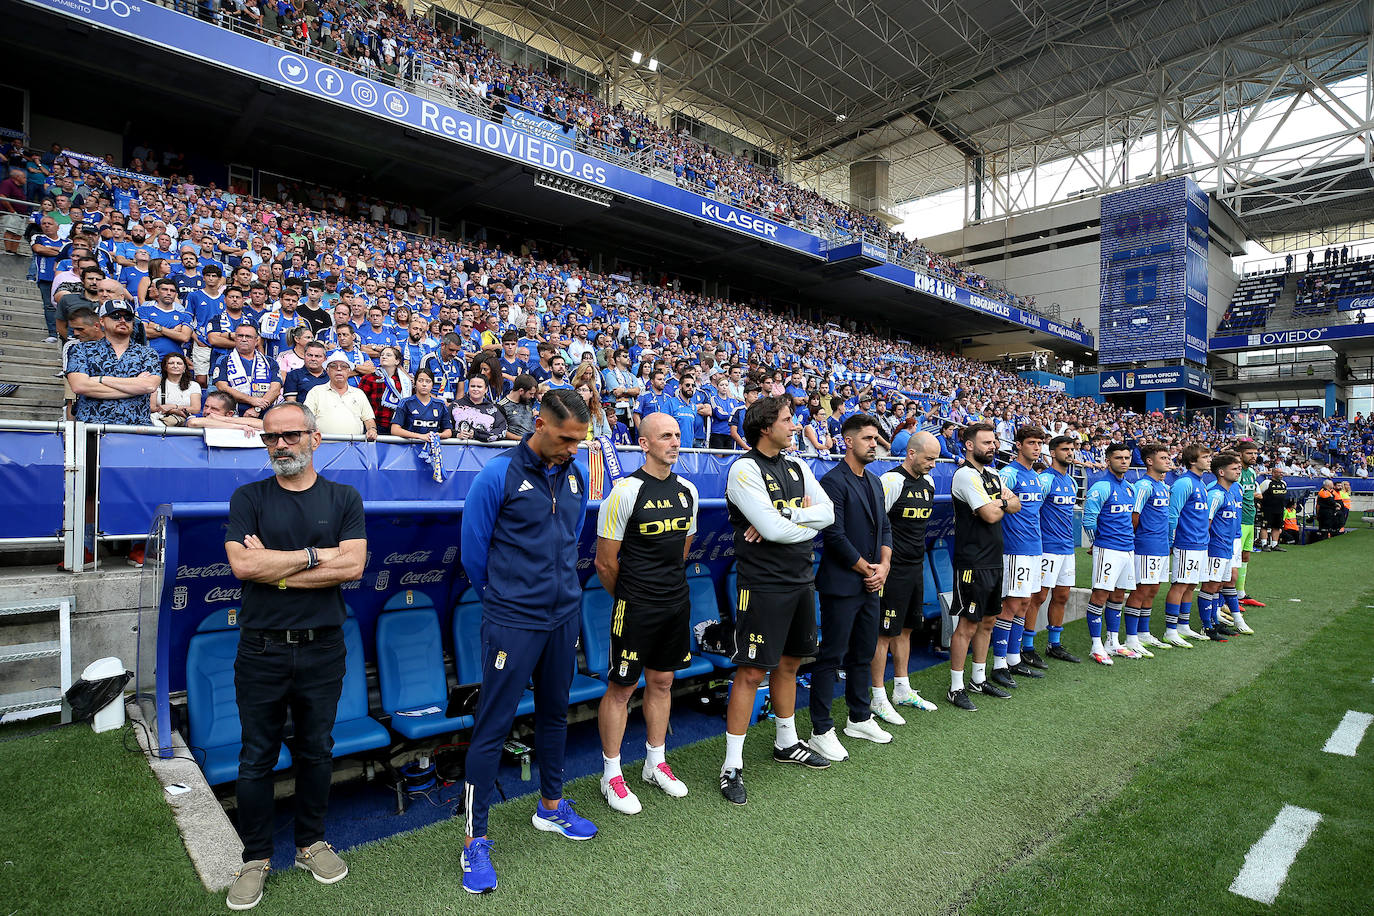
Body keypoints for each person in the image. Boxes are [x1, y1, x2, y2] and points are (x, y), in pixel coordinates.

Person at [222, 402, 366, 911]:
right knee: (256, 756)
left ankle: (311, 844)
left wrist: (275, 568)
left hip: (323, 648)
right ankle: (255, 858)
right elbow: (242, 565)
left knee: (316, 750)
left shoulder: (343, 497)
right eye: (270, 438)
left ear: (314, 438)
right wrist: (312, 556)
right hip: (261, 648)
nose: (279, 445)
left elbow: (352, 565)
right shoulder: (248, 497)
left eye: (289, 436)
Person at [458, 389, 597, 895]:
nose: (572, 449)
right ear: (538, 424)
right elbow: (474, 554)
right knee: (493, 726)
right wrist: (508, 601)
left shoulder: (577, 474)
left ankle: (551, 808)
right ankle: (475, 841)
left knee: (556, 713)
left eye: (580, 441)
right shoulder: (496, 476)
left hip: (564, 616)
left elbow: (571, 535)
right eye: (565, 439)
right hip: (512, 621)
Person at [720, 396, 835, 803]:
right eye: (787, 419)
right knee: (752, 672)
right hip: (763, 583)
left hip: (801, 578)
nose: (795, 425)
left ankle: (786, 743)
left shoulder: (798, 465)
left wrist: (788, 518)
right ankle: (731, 764)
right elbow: (769, 531)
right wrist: (790, 521)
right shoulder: (744, 468)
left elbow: (828, 514)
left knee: (790, 663)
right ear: (765, 426)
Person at [593, 413, 699, 814]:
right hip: (635, 606)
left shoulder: (687, 490)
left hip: (676, 602)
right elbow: (605, 562)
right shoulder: (624, 492)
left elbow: (683, 549)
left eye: (677, 435)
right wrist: (632, 596)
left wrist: (664, 588)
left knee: (663, 681)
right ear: (644, 444)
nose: (674, 442)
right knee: (621, 688)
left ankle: (656, 763)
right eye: (665, 436)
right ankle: (612, 774)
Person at [807, 413, 893, 761]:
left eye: (876, 439)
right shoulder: (833, 481)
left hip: (872, 583)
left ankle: (859, 717)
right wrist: (866, 568)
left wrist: (883, 566)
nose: (874, 444)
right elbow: (834, 535)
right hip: (842, 584)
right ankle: (820, 729)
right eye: (868, 438)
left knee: (864, 651)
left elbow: (886, 528)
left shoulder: (874, 481)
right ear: (848, 441)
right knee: (831, 655)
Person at [944, 422, 1019, 710]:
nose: (993, 447)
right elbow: (989, 515)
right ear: (969, 445)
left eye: (994, 442)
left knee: (988, 621)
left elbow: (1017, 505)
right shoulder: (965, 475)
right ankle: (956, 686)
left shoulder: (993, 474)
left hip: (993, 558)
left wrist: (997, 502)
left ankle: (978, 678)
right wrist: (1001, 502)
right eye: (986, 442)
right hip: (972, 561)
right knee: (967, 623)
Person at [991, 426, 1048, 688]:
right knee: (1011, 605)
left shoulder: (1036, 476)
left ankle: (1014, 658)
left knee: (1025, 602)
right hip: (1015, 548)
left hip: (1034, 548)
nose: (1036, 448)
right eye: (1032, 443)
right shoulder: (1008, 474)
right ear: (1018, 445)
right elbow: (995, 508)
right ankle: (999, 664)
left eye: (1039, 443)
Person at [1082, 443, 1139, 664]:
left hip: (1127, 549)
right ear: (1108, 460)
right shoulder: (1101, 486)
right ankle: (1096, 646)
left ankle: (1112, 642)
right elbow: (1089, 520)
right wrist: (1098, 545)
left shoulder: (1129, 487)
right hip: (1108, 549)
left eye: (1126, 457)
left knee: (1118, 595)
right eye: (1118, 458)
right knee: (1100, 595)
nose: (1123, 461)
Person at [64, 300, 162, 425]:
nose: (122, 320)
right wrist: (134, 388)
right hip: (92, 426)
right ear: (101, 321)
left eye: (128, 317)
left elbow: (149, 386)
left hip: (136, 427)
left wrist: (100, 379)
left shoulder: (147, 353)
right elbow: (80, 386)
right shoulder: (82, 349)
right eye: (115, 316)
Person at [1033, 435, 1080, 663]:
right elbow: (1033, 512)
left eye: (1072, 449)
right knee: (1038, 596)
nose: (1070, 453)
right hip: (1047, 548)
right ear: (1052, 453)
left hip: (1067, 549)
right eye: (1065, 449)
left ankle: (1054, 644)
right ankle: (1027, 646)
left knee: (1062, 595)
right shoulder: (1045, 480)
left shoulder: (1071, 482)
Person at [1124, 442, 1174, 656]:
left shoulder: (1163, 486)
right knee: (1141, 590)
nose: (1168, 461)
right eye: (1163, 458)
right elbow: (1134, 516)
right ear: (1149, 461)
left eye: (1168, 457)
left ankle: (1144, 633)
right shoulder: (1143, 486)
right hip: (1145, 545)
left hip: (1161, 546)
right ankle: (1131, 638)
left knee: (1153, 589)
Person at [1199, 453, 1245, 641]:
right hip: (1215, 547)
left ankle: (1214, 622)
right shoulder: (1215, 495)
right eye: (1234, 469)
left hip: (1227, 548)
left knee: (1218, 585)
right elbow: (1205, 523)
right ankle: (1207, 627)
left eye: (1239, 468)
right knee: (1210, 585)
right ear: (1221, 472)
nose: (1238, 472)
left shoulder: (1230, 493)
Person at [213, 324, 281, 419]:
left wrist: (257, 409)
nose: (244, 339)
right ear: (235, 339)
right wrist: (251, 400)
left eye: (248, 336)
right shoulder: (224, 360)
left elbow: (275, 390)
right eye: (240, 336)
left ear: (256, 340)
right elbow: (222, 387)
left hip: (265, 416)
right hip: (233, 415)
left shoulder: (270, 362)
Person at [304, 352, 378, 439]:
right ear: (327, 371)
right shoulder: (316, 391)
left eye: (343, 366)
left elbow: (369, 419)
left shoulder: (359, 393)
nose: (339, 369)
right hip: (323, 446)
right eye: (333, 366)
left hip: (353, 447)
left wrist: (372, 430)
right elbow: (306, 419)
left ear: (349, 371)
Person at [1235, 440, 1266, 608]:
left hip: (1249, 519)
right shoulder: (1236, 472)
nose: (1254, 456)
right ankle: (1229, 597)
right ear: (1240, 454)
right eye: (1250, 453)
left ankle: (1241, 594)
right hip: (1238, 521)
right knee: (1234, 559)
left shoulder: (1252, 473)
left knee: (1245, 556)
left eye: (1255, 453)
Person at [390, 367, 455, 440]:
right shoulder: (406, 402)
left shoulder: (440, 404)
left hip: (432, 448)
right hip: (409, 447)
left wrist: (439, 435)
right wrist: (420, 436)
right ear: (415, 383)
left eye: (428, 381)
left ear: (432, 385)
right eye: (420, 381)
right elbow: (395, 429)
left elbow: (448, 431)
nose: (424, 384)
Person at [137, 277, 194, 359]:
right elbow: (143, 333)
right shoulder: (143, 310)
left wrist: (158, 327)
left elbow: (184, 337)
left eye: (172, 291)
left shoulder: (184, 316)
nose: (168, 293)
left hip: (174, 361)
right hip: (150, 359)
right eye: (164, 289)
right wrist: (173, 332)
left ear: (176, 294)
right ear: (157, 291)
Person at [358, 346, 411, 432]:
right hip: (374, 426)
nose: (384, 357)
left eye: (388, 355)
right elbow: (360, 402)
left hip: (397, 426)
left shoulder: (405, 382)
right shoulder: (368, 378)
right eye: (382, 355)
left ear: (397, 361)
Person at [451, 374, 508, 442]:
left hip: (484, 451)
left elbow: (502, 431)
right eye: (472, 386)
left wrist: (477, 435)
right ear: (468, 387)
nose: (475, 389)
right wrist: (456, 435)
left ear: (486, 389)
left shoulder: (493, 409)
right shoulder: (455, 405)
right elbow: (444, 428)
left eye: (479, 387)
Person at [150, 352, 202, 427]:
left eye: (179, 363)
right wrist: (173, 411)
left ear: (184, 368)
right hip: (160, 421)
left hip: (184, 422)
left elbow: (195, 409)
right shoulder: (157, 384)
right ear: (165, 367)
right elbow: (152, 407)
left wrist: (173, 406)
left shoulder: (194, 385)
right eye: (171, 363)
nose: (175, 366)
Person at [188, 390, 266, 431]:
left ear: (229, 413)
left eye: (214, 409)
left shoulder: (233, 419)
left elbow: (263, 425)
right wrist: (239, 427)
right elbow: (193, 422)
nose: (207, 411)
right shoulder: (198, 417)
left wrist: (221, 419)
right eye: (206, 406)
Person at [1256, 466, 1288, 551]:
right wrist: (1259, 504)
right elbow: (1259, 493)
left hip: (1280, 509)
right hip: (1267, 509)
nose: (1281, 474)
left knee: (1277, 527)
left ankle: (1274, 545)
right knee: (1265, 526)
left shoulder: (1284, 483)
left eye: (1282, 473)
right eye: (1279, 473)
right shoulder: (1267, 482)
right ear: (1273, 473)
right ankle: (1264, 544)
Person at [497, 374, 537, 439]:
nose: (532, 397)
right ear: (521, 391)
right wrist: (523, 439)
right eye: (530, 394)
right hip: (514, 445)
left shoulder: (527, 401)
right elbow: (502, 431)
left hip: (532, 444)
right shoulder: (502, 406)